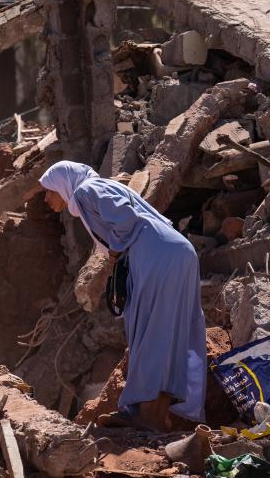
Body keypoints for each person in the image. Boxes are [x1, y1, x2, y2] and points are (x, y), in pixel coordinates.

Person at [38, 160, 207, 430]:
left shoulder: (86, 191)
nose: (46, 198)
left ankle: (143, 415)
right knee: (167, 333)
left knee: (149, 333)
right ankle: (156, 414)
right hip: (175, 253)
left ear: (62, 184)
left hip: (157, 256)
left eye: (48, 190)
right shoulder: (95, 189)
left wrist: (115, 255)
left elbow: (126, 220)